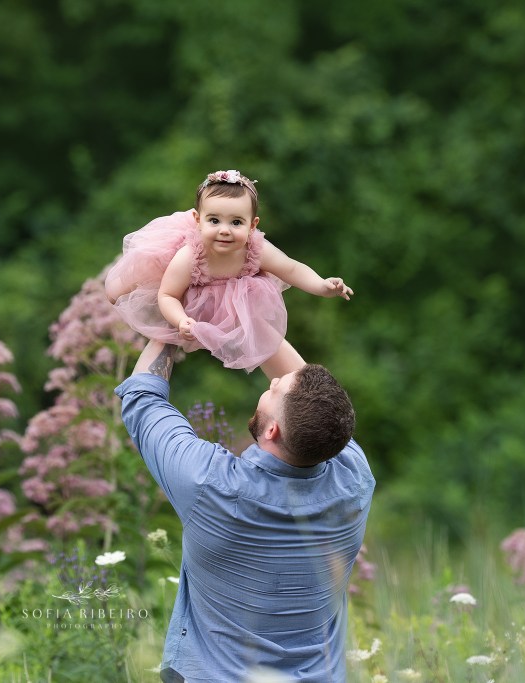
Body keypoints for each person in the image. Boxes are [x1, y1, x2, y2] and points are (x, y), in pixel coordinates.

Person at [115, 340, 375, 683]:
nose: (272, 381)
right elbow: (312, 405)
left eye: (274, 389)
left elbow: (143, 398)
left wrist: (169, 325)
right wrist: (247, 316)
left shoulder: (210, 484)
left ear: (272, 430)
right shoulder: (354, 480)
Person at [105, 169, 353, 378]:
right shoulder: (188, 256)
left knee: (260, 331)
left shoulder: (255, 249)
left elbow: (291, 269)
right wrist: (180, 320)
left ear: (252, 225)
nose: (225, 230)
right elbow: (168, 294)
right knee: (115, 293)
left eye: (236, 223)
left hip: (230, 294)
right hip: (181, 283)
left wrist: (322, 285)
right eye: (214, 221)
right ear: (198, 220)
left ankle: (295, 383)